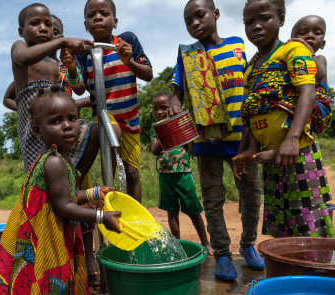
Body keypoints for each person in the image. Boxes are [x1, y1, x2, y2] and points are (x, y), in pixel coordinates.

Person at [0, 86, 120, 295]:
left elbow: (68, 194)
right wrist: (101, 217)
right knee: (57, 288)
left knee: (56, 285)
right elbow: (64, 206)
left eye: (72, 118)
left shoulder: (60, 160)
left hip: (47, 232)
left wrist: (96, 193)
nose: (68, 126)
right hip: (46, 237)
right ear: (38, 131)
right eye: (56, 121)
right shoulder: (55, 163)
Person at [168, 0, 263, 281]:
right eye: (188, 21)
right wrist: (175, 102)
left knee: (251, 195)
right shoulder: (186, 55)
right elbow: (177, 92)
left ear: (216, 14)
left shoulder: (237, 45)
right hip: (206, 139)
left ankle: (247, 246)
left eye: (200, 16)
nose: (195, 23)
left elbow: (250, 80)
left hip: (242, 138)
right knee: (212, 197)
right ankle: (222, 253)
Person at [233, 1, 334, 238]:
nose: (256, 26)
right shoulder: (250, 69)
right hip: (271, 159)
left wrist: (292, 139)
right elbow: (251, 111)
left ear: (281, 20)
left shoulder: (293, 51)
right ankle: (286, 272)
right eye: (249, 22)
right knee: (281, 222)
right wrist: (249, 149)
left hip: (298, 151)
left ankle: (313, 272)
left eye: (265, 18)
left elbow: (307, 91)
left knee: (308, 222)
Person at [73, 0, 153, 203]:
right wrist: (72, 68)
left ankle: (135, 216)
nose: (98, 17)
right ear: (85, 25)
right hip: (105, 115)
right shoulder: (84, 53)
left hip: (131, 119)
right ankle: (109, 204)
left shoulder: (127, 41)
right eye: (92, 15)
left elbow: (148, 74)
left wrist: (130, 61)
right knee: (111, 144)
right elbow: (80, 88)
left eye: (104, 13)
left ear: (115, 21)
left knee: (133, 174)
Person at [12, 3, 99, 185]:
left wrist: (72, 67)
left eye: (48, 25)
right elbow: (23, 58)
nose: (43, 29)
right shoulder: (20, 47)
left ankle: (73, 184)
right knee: (42, 175)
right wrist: (62, 41)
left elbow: (79, 89)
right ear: (21, 31)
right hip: (34, 124)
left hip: (56, 121)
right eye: (35, 23)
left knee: (98, 131)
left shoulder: (55, 62)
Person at [242, 15, 332, 164]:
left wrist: (308, 49)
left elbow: (319, 74)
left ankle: (283, 146)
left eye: (317, 33)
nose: (309, 36)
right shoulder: (289, 57)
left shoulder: (319, 58)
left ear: (322, 43)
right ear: (290, 39)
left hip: (315, 105)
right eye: (302, 34)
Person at [150, 92, 213, 255]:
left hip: (183, 174)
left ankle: (206, 242)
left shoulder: (179, 125)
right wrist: (163, 131)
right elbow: (154, 150)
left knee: (193, 210)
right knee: (172, 211)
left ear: (171, 108)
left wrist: (173, 126)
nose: (159, 112)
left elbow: (191, 140)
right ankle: (177, 244)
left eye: (163, 108)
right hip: (165, 176)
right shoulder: (155, 129)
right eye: (155, 109)